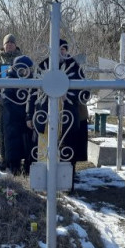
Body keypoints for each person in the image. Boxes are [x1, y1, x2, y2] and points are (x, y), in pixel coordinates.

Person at [28, 39, 88, 192]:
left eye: (63, 49)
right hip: (44, 117)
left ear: (66, 51)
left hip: (67, 117)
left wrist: (69, 94)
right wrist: (29, 115)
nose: (60, 52)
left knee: (68, 151)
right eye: (57, 48)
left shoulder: (74, 67)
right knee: (43, 150)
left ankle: (66, 185)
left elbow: (85, 92)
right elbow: (32, 92)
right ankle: (44, 184)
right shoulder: (42, 66)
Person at [0, 34, 22, 170]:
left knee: (16, 132)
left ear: (15, 44)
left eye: (12, 43)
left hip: (18, 102)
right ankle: (4, 160)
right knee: (2, 132)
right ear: (3, 45)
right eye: (7, 43)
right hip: (1, 102)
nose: (9, 45)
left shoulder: (21, 59)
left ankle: (17, 161)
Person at [3, 55, 35, 175]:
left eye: (29, 69)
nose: (28, 72)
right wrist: (23, 112)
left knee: (28, 146)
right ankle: (13, 168)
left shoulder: (32, 80)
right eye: (26, 69)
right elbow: (7, 101)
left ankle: (28, 168)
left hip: (27, 121)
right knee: (13, 146)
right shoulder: (9, 80)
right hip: (12, 120)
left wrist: (29, 114)